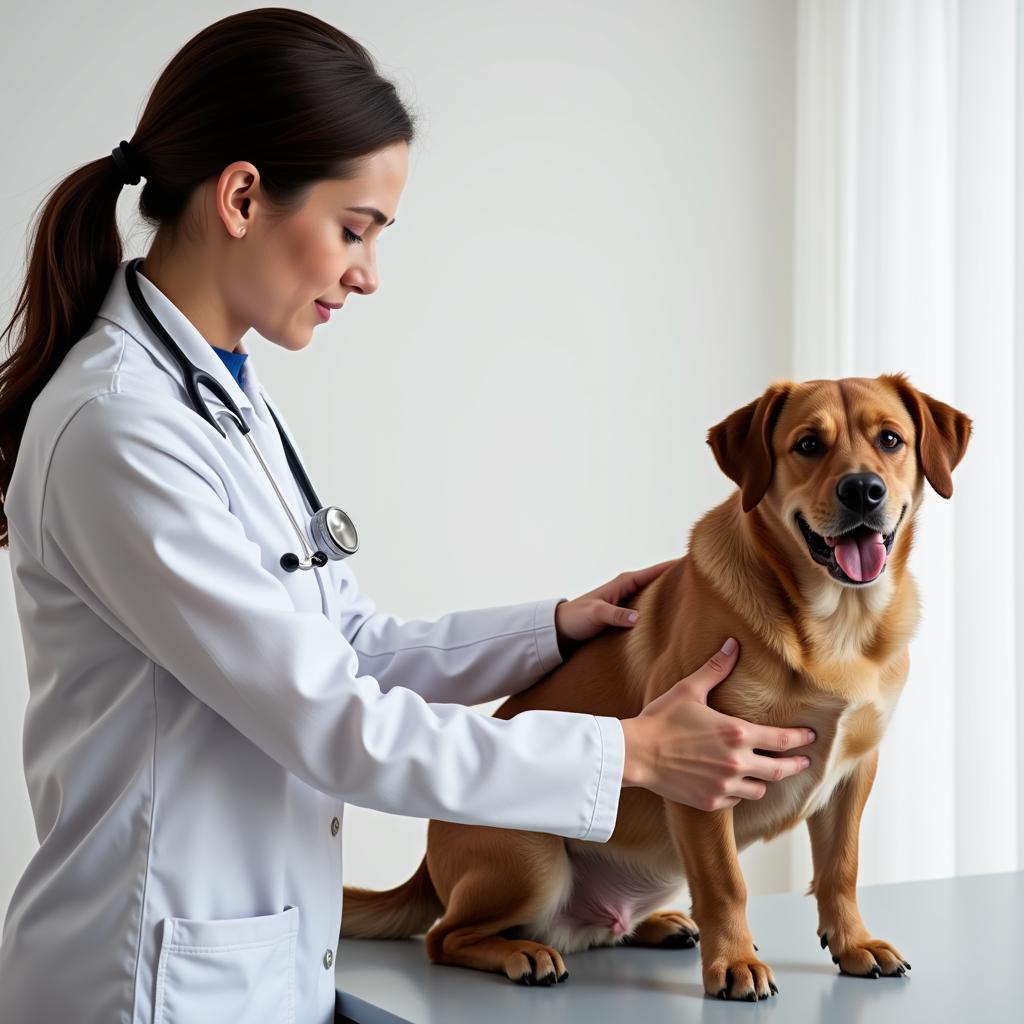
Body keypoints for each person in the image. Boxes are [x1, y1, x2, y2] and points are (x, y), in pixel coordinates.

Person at [0, 10, 815, 1024]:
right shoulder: (120, 430)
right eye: (354, 229)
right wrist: (629, 753)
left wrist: (558, 625)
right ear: (244, 196)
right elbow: (331, 723)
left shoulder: (226, 399)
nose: (367, 273)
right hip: (146, 983)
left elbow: (348, 644)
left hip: (247, 963)